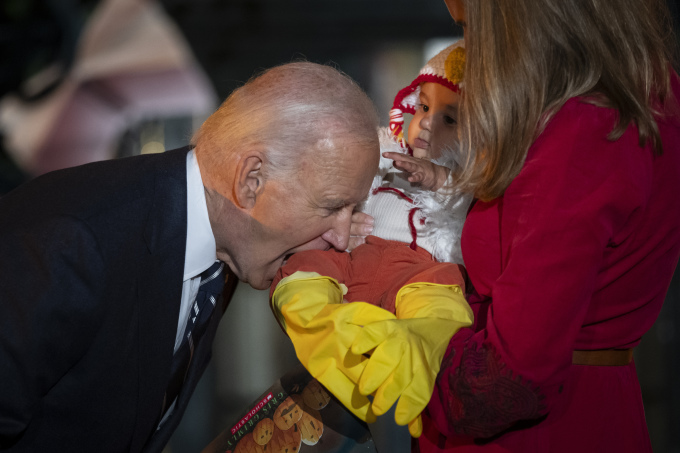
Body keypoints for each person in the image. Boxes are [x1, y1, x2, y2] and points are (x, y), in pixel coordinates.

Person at [346, 0, 680, 451]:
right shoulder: (647, 92)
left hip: (537, 433)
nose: (470, 53)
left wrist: (395, 343)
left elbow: (511, 379)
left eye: (471, 28)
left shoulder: (582, 128)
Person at [0, 62, 381, 452]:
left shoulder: (221, 243)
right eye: (334, 206)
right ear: (252, 181)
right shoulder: (70, 244)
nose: (340, 235)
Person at [269, 42, 475, 438]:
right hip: (353, 259)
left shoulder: (468, 182)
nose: (427, 125)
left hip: (416, 274)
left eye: (449, 120)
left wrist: (439, 178)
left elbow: (477, 195)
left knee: (443, 307)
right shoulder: (385, 148)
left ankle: (409, 345)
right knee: (298, 278)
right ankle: (340, 333)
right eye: (423, 108)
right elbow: (345, 160)